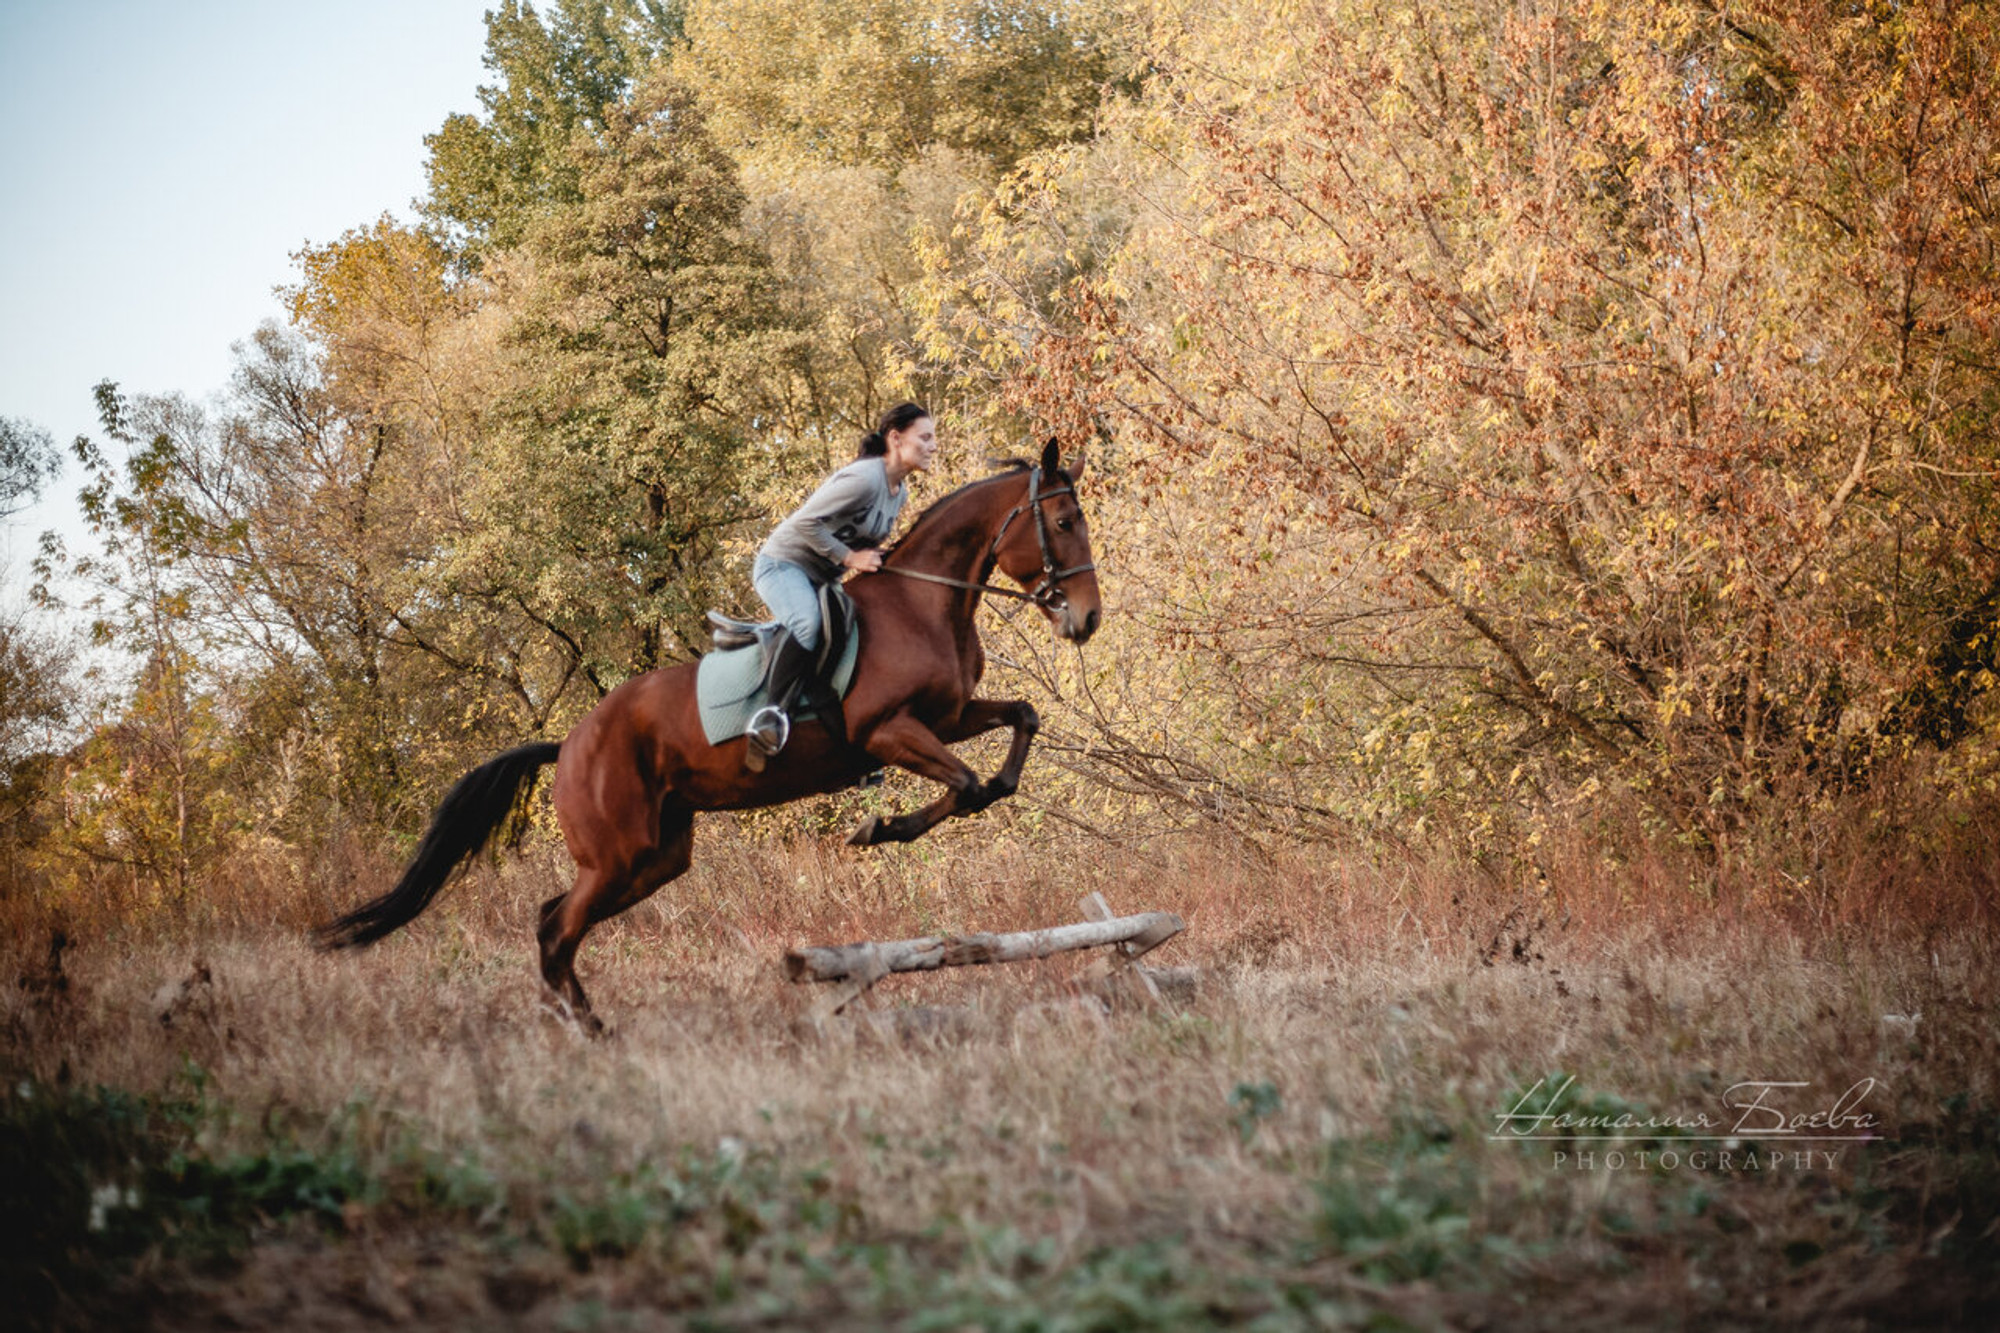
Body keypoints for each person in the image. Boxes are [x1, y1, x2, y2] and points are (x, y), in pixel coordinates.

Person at [743, 402, 937, 760]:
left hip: (822, 579)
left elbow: (866, 544)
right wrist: (849, 558)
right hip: (783, 565)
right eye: (925, 437)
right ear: (895, 438)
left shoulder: (900, 493)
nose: (933, 446)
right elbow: (804, 523)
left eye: (933, 439)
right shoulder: (865, 478)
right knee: (807, 623)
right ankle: (769, 716)